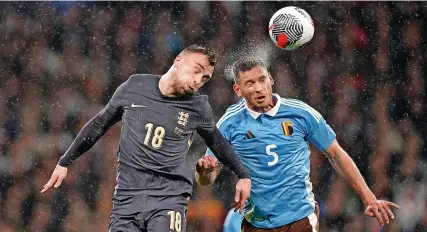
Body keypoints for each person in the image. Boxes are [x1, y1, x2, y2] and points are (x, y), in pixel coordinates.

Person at [41, 45, 251, 232]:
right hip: (126, 199)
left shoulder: (197, 106)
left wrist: (242, 174)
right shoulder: (134, 87)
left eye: (205, 79)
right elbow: (98, 124)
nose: (198, 81)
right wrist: (65, 161)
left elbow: (216, 140)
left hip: (168, 201)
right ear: (178, 60)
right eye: (197, 71)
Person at [195, 58, 399, 231]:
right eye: (250, 83)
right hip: (256, 223)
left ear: (271, 80)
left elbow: (336, 154)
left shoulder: (301, 113)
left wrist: (369, 198)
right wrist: (204, 172)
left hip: (300, 219)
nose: (258, 88)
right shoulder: (228, 124)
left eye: (262, 79)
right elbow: (207, 178)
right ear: (238, 90)